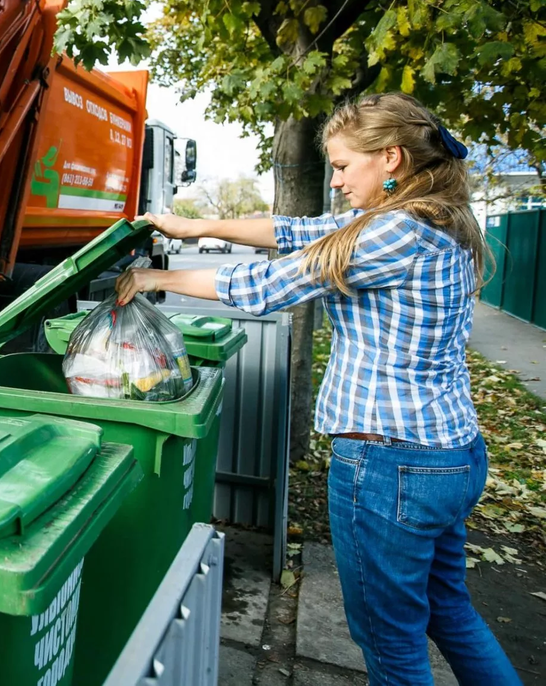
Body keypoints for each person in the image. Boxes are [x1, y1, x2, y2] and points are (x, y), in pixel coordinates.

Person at [115, 93, 519, 685]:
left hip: (389, 464)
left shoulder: (395, 233)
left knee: (390, 641)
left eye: (341, 165)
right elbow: (295, 228)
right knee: (449, 612)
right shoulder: (437, 217)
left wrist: (158, 277)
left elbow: (275, 283)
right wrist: (195, 224)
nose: (334, 180)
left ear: (391, 158)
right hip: (449, 454)